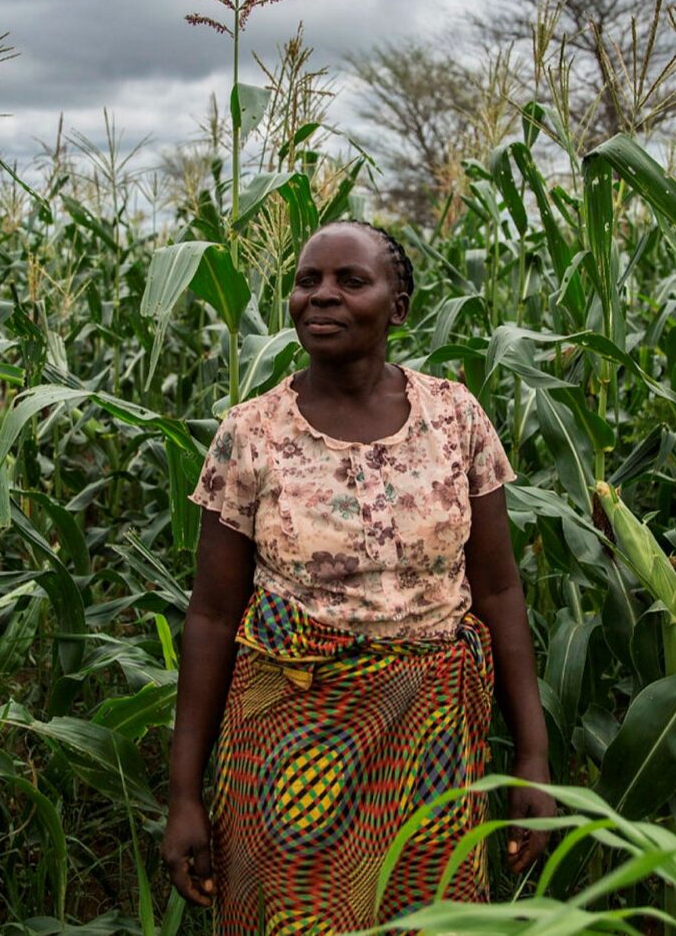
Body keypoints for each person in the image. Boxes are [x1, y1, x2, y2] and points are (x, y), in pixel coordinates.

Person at [162, 219, 555, 929]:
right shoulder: (251, 432)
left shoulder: (456, 417)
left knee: (432, 919)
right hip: (288, 743)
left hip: (431, 741)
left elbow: (498, 589)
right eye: (308, 280)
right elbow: (212, 616)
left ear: (397, 307)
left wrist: (531, 753)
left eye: (351, 280)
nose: (322, 296)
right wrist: (184, 791)